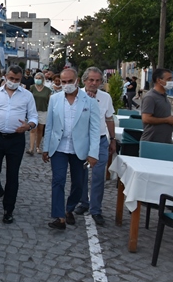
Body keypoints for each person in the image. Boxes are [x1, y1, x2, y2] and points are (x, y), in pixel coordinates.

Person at [42, 68, 100, 230]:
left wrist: (93, 153)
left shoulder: (90, 102)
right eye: (63, 82)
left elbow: (94, 129)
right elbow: (50, 125)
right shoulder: (54, 99)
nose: (66, 85)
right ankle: (59, 217)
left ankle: (69, 208)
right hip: (58, 147)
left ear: (77, 81)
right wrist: (45, 147)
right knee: (58, 180)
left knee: (78, 184)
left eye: (69, 81)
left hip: (79, 149)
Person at [0, 65, 38, 224]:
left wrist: (29, 126)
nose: (13, 82)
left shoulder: (27, 96)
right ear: (5, 76)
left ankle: (8, 209)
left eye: (17, 80)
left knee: (12, 175)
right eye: (11, 78)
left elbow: (34, 117)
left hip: (16, 139)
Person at [74, 67, 117, 226]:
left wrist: (112, 139)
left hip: (100, 141)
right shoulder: (76, 96)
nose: (94, 83)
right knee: (81, 174)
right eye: (91, 80)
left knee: (99, 176)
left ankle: (96, 209)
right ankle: (83, 202)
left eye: (98, 80)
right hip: (82, 140)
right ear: (84, 80)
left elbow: (109, 118)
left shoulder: (106, 97)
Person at [141, 68, 173, 144]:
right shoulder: (150, 97)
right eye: (168, 79)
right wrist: (167, 120)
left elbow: (162, 115)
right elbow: (146, 118)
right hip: (152, 141)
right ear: (159, 80)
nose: (171, 81)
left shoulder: (163, 96)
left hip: (166, 140)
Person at [27, 72, 51, 155]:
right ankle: (31, 148)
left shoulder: (48, 90)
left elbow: (49, 102)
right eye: (36, 78)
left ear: (43, 79)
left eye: (39, 78)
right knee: (33, 129)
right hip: (33, 111)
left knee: (40, 130)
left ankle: (38, 146)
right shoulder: (32, 88)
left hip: (43, 111)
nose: (38, 80)